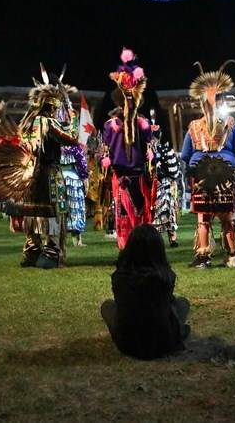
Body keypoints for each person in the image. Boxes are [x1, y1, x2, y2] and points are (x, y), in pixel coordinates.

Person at [0, 65, 79, 268]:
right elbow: (72, 138)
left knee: (32, 212)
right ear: (52, 107)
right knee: (53, 212)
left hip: (29, 175)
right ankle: (51, 253)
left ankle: (32, 251)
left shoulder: (28, 123)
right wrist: (73, 116)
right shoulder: (49, 123)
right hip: (49, 174)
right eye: (56, 108)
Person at [181, 60, 235, 268]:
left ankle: (204, 257)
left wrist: (194, 166)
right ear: (219, 101)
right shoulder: (230, 123)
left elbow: (185, 154)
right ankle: (233, 254)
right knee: (228, 216)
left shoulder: (193, 126)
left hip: (201, 174)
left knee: (204, 217)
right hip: (226, 173)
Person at [100, 224, 190, 360]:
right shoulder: (164, 277)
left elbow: (121, 304)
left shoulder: (120, 277)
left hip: (128, 343)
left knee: (108, 306)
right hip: (163, 341)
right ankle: (178, 331)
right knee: (182, 303)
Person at [101, 48, 153, 250]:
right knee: (132, 216)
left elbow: (105, 155)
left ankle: (128, 251)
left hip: (128, 177)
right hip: (130, 177)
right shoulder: (140, 123)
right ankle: (137, 250)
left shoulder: (119, 125)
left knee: (130, 216)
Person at [151, 125, 181, 247]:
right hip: (160, 184)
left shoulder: (163, 151)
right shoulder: (166, 150)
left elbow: (175, 171)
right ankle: (170, 238)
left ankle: (169, 238)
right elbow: (174, 172)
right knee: (167, 210)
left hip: (162, 185)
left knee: (166, 210)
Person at [61, 144, 89, 247]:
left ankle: (57, 240)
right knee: (75, 209)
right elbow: (82, 164)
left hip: (58, 178)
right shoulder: (75, 148)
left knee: (60, 209)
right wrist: (85, 179)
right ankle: (77, 241)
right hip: (73, 178)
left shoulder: (54, 146)